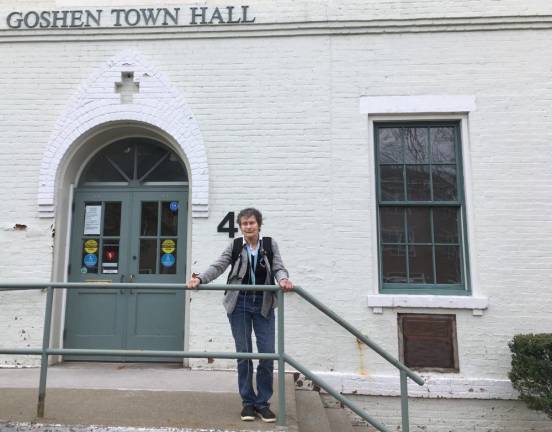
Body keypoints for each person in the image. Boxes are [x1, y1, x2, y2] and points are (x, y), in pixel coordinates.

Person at [187, 208, 293, 423]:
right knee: (244, 354)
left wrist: (283, 280)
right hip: (240, 304)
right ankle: (247, 403)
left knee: (267, 354)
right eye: (244, 224)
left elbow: (279, 267)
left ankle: (263, 403)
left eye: (252, 223)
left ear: (259, 224)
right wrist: (200, 279)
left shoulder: (270, 245)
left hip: (263, 303)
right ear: (240, 226)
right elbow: (219, 266)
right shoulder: (236, 246)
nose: (248, 227)